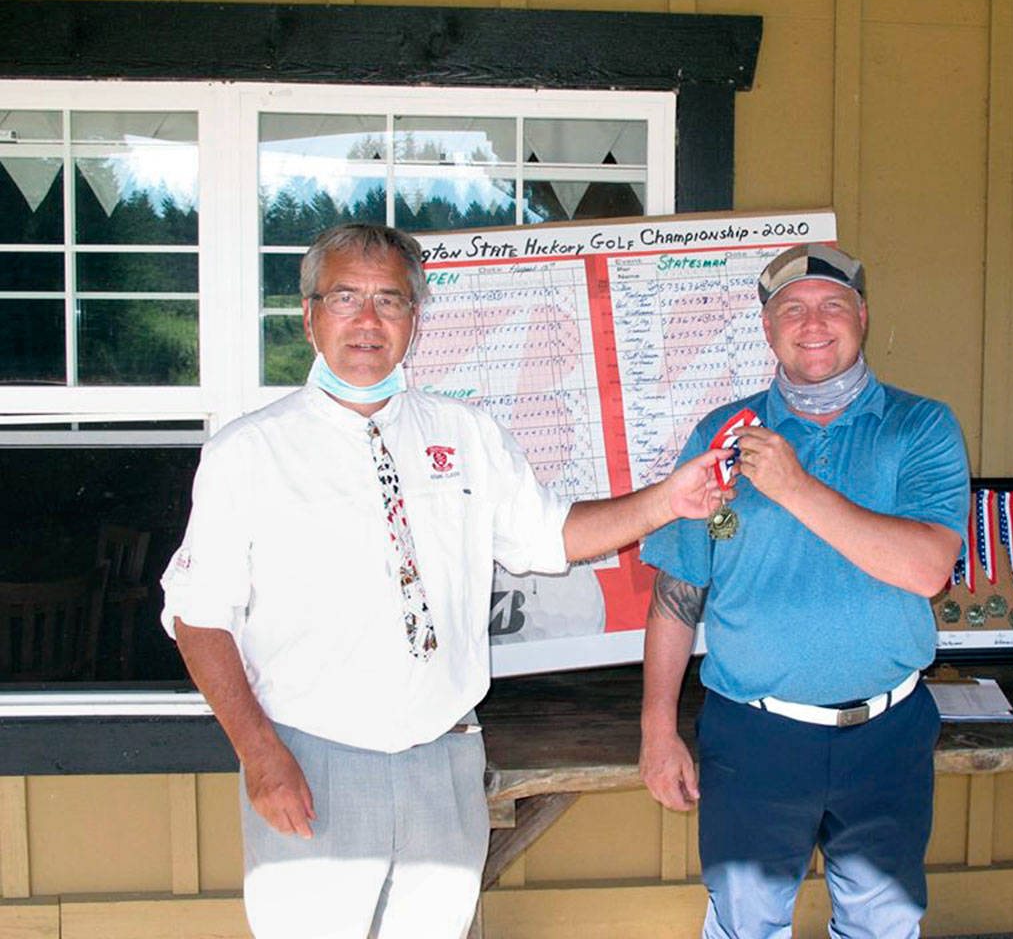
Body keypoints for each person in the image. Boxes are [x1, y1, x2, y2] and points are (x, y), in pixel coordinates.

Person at [160, 223, 728, 939]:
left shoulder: (464, 433)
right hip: (311, 765)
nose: (368, 320)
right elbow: (198, 616)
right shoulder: (248, 453)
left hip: (445, 761)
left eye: (390, 301)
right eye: (345, 298)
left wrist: (665, 500)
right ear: (308, 315)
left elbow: (550, 536)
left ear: (415, 321)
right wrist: (260, 754)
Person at [638, 243, 970, 939]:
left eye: (831, 305)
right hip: (753, 734)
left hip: (888, 734)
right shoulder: (721, 436)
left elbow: (927, 569)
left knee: (884, 927)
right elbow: (678, 591)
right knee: (744, 927)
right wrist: (657, 728)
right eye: (791, 308)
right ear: (767, 328)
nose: (811, 322)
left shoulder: (922, 427)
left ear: (863, 317)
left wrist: (795, 488)